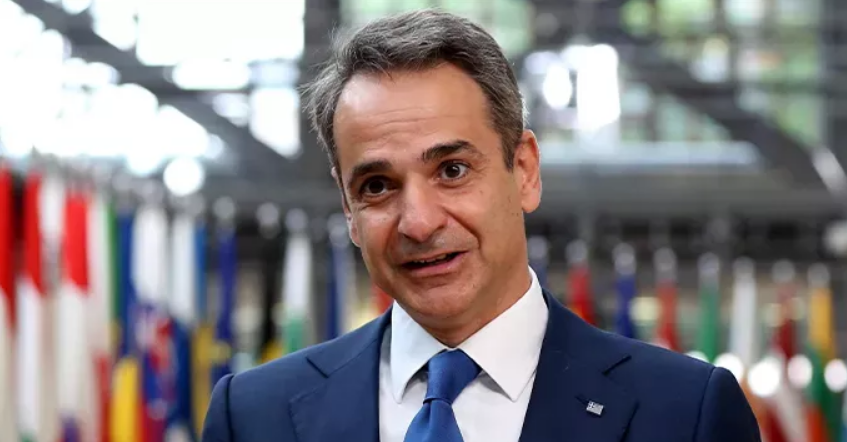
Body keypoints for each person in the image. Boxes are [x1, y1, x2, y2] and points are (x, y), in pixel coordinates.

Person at [201, 9, 761, 442]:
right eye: (377, 186)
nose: (419, 222)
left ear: (525, 171)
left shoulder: (685, 412)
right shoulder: (252, 415)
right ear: (348, 208)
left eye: (452, 170)